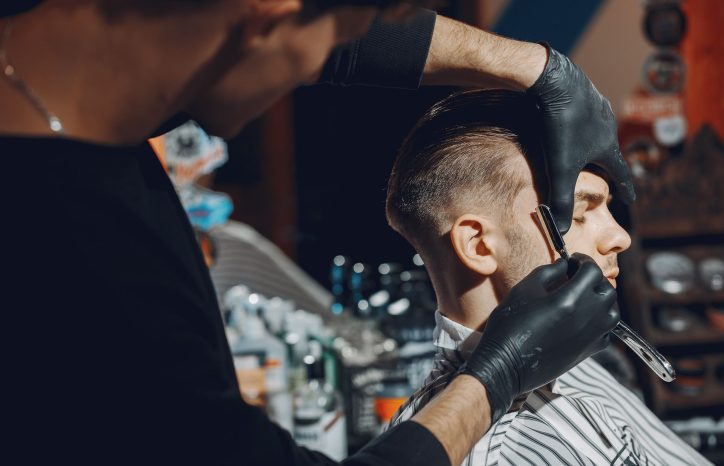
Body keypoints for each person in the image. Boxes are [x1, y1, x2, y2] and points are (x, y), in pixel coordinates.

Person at [1, 1, 628, 464]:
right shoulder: (78, 252)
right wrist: (501, 370)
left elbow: (341, 39)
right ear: (267, 15)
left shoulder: (43, 67)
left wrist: (540, 69)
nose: (311, 75)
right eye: (335, 39)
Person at [385, 89, 710, 466]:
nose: (621, 237)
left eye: (608, 208)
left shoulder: (566, 353)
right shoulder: (499, 453)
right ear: (478, 244)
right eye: (576, 214)